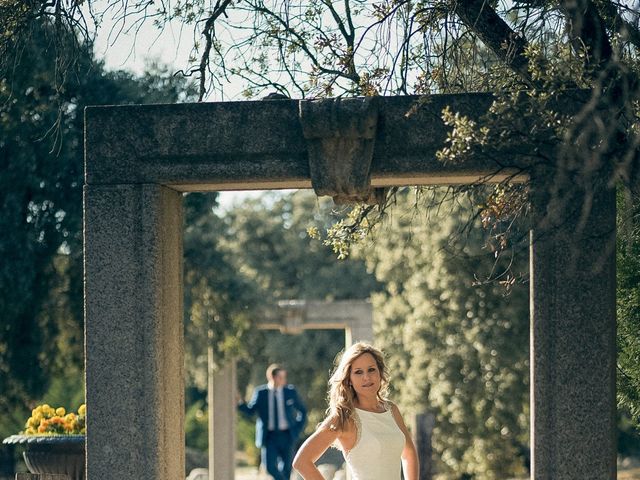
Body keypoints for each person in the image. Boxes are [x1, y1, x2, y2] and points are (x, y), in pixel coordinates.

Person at [292, 342, 419, 480]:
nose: (367, 377)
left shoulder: (391, 410)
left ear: (379, 372)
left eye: (371, 369)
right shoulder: (344, 418)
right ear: (349, 379)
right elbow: (302, 462)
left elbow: (409, 453)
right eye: (358, 372)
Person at [238, 364, 307, 480]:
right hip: (269, 437)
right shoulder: (261, 393)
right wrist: (239, 403)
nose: (284, 380)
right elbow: (251, 411)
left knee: (287, 469)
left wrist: (297, 429)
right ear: (272, 377)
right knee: (269, 466)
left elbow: (303, 411)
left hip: (287, 435)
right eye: (281, 377)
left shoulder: (290, 392)